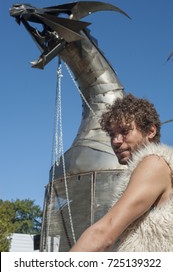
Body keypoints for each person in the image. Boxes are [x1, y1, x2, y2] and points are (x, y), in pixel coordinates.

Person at [70, 93, 173, 252]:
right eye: (112, 134)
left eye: (125, 132)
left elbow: (104, 233)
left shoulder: (155, 163)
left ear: (151, 131)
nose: (116, 141)